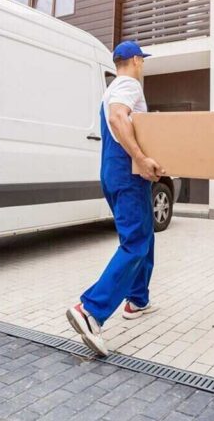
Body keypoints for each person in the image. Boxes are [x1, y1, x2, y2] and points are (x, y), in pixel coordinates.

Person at [66, 40, 164, 356]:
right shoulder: (128, 86)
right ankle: (91, 310)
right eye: (142, 61)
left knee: (142, 237)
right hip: (128, 174)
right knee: (135, 242)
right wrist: (142, 157)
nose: (143, 65)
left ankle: (137, 300)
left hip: (112, 172)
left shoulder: (110, 88)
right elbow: (119, 118)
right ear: (135, 60)